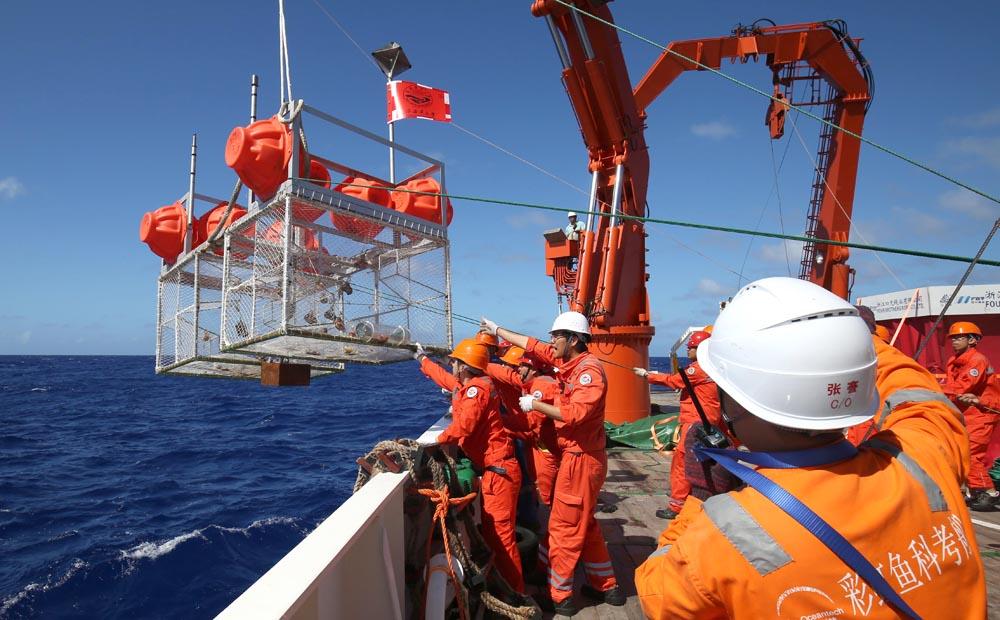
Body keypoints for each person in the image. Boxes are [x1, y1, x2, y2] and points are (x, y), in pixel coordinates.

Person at [636, 276, 986, 619]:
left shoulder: (725, 532)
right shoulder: (925, 452)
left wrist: (700, 498)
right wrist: (846, 340)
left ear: (733, 403)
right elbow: (919, 394)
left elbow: (659, 596)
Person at [481, 312, 624, 616]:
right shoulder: (569, 362)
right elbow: (535, 346)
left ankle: (560, 597)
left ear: (573, 339)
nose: (551, 342)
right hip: (577, 457)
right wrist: (499, 329)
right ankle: (605, 585)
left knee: (563, 528)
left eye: (556, 336)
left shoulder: (589, 372)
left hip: (581, 459)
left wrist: (536, 404)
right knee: (584, 524)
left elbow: (575, 414)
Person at [414, 339, 524, 592]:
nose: (451, 365)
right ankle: (509, 589)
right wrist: (423, 361)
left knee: (501, 539)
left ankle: (517, 594)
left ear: (463, 367)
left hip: (499, 473)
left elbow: (464, 426)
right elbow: (444, 379)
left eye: (454, 362)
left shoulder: (477, 391)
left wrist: (437, 439)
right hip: (497, 470)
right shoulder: (475, 385)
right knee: (494, 535)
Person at [633, 330, 722, 520]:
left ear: (701, 350)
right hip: (712, 422)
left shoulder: (697, 369)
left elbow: (674, 381)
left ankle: (676, 506)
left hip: (694, 423)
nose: (688, 349)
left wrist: (647, 375)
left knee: (681, 463)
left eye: (691, 347)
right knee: (708, 463)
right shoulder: (717, 368)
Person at [940, 321, 996, 511]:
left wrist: (932, 388)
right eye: (953, 338)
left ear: (972, 340)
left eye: (959, 337)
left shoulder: (977, 360)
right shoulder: (953, 361)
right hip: (965, 413)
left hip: (982, 413)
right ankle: (971, 490)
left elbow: (961, 388)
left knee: (972, 453)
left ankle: (986, 492)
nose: (954, 341)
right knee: (958, 451)